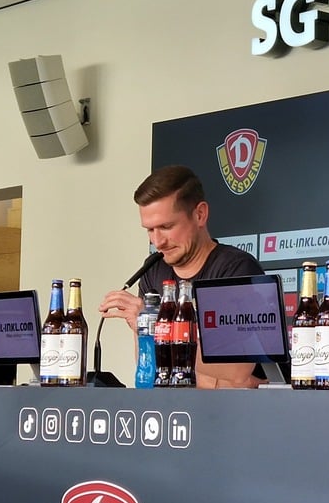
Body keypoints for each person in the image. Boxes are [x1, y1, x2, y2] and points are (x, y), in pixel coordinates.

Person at [98, 165, 267, 388]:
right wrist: (208, 378)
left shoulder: (235, 269)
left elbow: (237, 371)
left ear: (200, 214)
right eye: (149, 230)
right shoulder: (152, 271)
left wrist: (155, 326)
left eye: (166, 226)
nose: (157, 242)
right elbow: (149, 371)